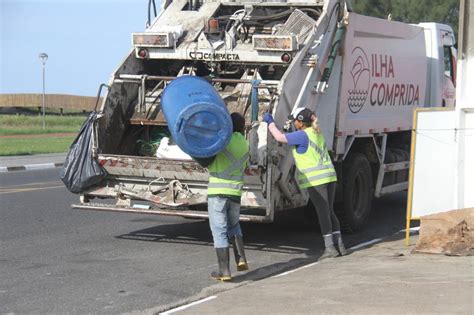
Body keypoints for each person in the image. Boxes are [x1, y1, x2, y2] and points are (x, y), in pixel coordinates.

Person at [263, 108, 348, 259]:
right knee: (330, 210)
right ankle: (340, 245)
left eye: (295, 120)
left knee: (323, 212)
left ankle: (330, 249)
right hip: (330, 176)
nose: (294, 122)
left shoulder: (302, 135)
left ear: (300, 122)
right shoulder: (316, 132)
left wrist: (270, 123)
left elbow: (280, 138)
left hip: (316, 180)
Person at [207, 112, 249, 281]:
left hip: (218, 193)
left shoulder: (222, 141)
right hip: (235, 193)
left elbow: (206, 158)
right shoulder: (244, 143)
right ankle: (241, 259)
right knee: (234, 225)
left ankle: (224, 271)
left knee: (219, 231)